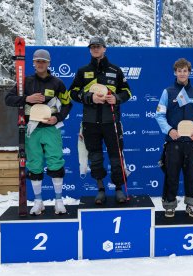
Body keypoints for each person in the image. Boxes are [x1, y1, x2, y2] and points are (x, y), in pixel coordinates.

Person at [5, 49, 72, 215]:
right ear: (33, 63)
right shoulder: (25, 82)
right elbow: (8, 99)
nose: (40, 64)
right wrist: (27, 98)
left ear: (49, 63)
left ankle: (58, 200)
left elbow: (68, 103)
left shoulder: (57, 83)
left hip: (50, 129)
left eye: (44, 61)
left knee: (55, 162)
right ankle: (38, 201)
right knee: (34, 164)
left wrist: (58, 117)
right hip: (32, 128)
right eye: (37, 61)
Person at [69, 37, 132, 204]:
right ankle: (100, 188)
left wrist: (116, 99)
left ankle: (118, 188)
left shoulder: (115, 70)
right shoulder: (83, 71)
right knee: (95, 157)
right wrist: (89, 97)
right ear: (90, 50)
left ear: (105, 49)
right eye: (92, 47)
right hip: (90, 123)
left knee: (116, 157)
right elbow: (73, 93)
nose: (95, 49)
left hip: (111, 122)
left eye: (98, 46)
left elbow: (127, 92)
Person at [155, 58, 193, 218]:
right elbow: (159, 115)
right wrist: (169, 130)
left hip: (191, 142)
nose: (182, 73)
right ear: (175, 72)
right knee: (171, 174)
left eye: (185, 71)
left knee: (192, 174)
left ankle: (191, 204)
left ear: (189, 72)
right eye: (179, 70)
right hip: (173, 141)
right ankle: (169, 205)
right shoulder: (167, 92)